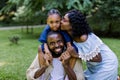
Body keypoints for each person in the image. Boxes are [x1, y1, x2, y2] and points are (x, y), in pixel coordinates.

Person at [60, 9, 118, 80]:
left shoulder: (83, 37)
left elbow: (98, 58)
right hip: (94, 67)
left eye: (64, 20)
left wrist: (76, 55)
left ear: (72, 25)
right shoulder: (69, 34)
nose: (61, 22)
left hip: (107, 64)